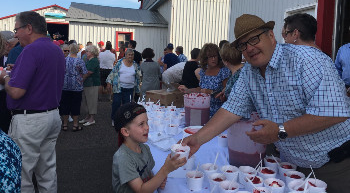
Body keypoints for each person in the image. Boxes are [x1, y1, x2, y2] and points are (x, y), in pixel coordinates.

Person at [182, 14, 350, 193]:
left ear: (271, 35)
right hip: (290, 164)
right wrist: (198, 139)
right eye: (243, 45)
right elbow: (231, 110)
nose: (249, 48)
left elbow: (334, 113)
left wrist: (280, 131)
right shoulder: (249, 72)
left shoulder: (307, 60)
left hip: (333, 164)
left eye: (254, 39)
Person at [0, 11, 65, 192]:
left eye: (16, 29)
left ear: (28, 28)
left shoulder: (31, 50)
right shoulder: (56, 49)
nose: (15, 34)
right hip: (52, 115)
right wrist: (18, 70)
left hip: (30, 120)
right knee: (47, 171)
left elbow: (15, 91)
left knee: (23, 172)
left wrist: (5, 77)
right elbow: (43, 77)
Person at [112, 102, 186, 193]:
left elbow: (148, 173)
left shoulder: (145, 148)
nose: (147, 127)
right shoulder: (123, 158)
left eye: (147, 122)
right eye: (141, 124)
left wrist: (157, 180)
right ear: (126, 132)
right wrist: (165, 170)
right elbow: (141, 190)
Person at [179, 43, 231, 116]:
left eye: (215, 56)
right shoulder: (203, 71)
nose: (213, 59)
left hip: (220, 112)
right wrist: (188, 90)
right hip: (204, 110)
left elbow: (227, 94)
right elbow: (200, 89)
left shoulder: (224, 71)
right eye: (210, 57)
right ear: (205, 58)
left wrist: (210, 92)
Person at [107, 48, 141, 126]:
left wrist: (138, 89)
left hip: (130, 89)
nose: (130, 56)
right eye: (129, 55)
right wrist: (109, 82)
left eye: (132, 55)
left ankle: (126, 120)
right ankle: (114, 119)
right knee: (116, 103)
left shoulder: (135, 65)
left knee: (127, 105)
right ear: (125, 55)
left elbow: (138, 77)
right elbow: (113, 73)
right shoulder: (119, 63)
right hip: (119, 87)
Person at [60, 43, 88, 131]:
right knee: (76, 105)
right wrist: (81, 79)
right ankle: (75, 125)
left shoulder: (64, 60)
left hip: (65, 86)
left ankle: (65, 124)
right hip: (77, 86)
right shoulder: (80, 61)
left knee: (65, 105)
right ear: (77, 50)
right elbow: (85, 72)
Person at [79, 45, 101, 126]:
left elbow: (89, 72)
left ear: (92, 53)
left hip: (92, 83)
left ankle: (92, 119)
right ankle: (87, 117)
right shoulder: (89, 60)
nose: (86, 52)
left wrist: (81, 79)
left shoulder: (94, 60)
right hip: (88, 83)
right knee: (87, 101)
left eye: (87, 51)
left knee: (91, 101)